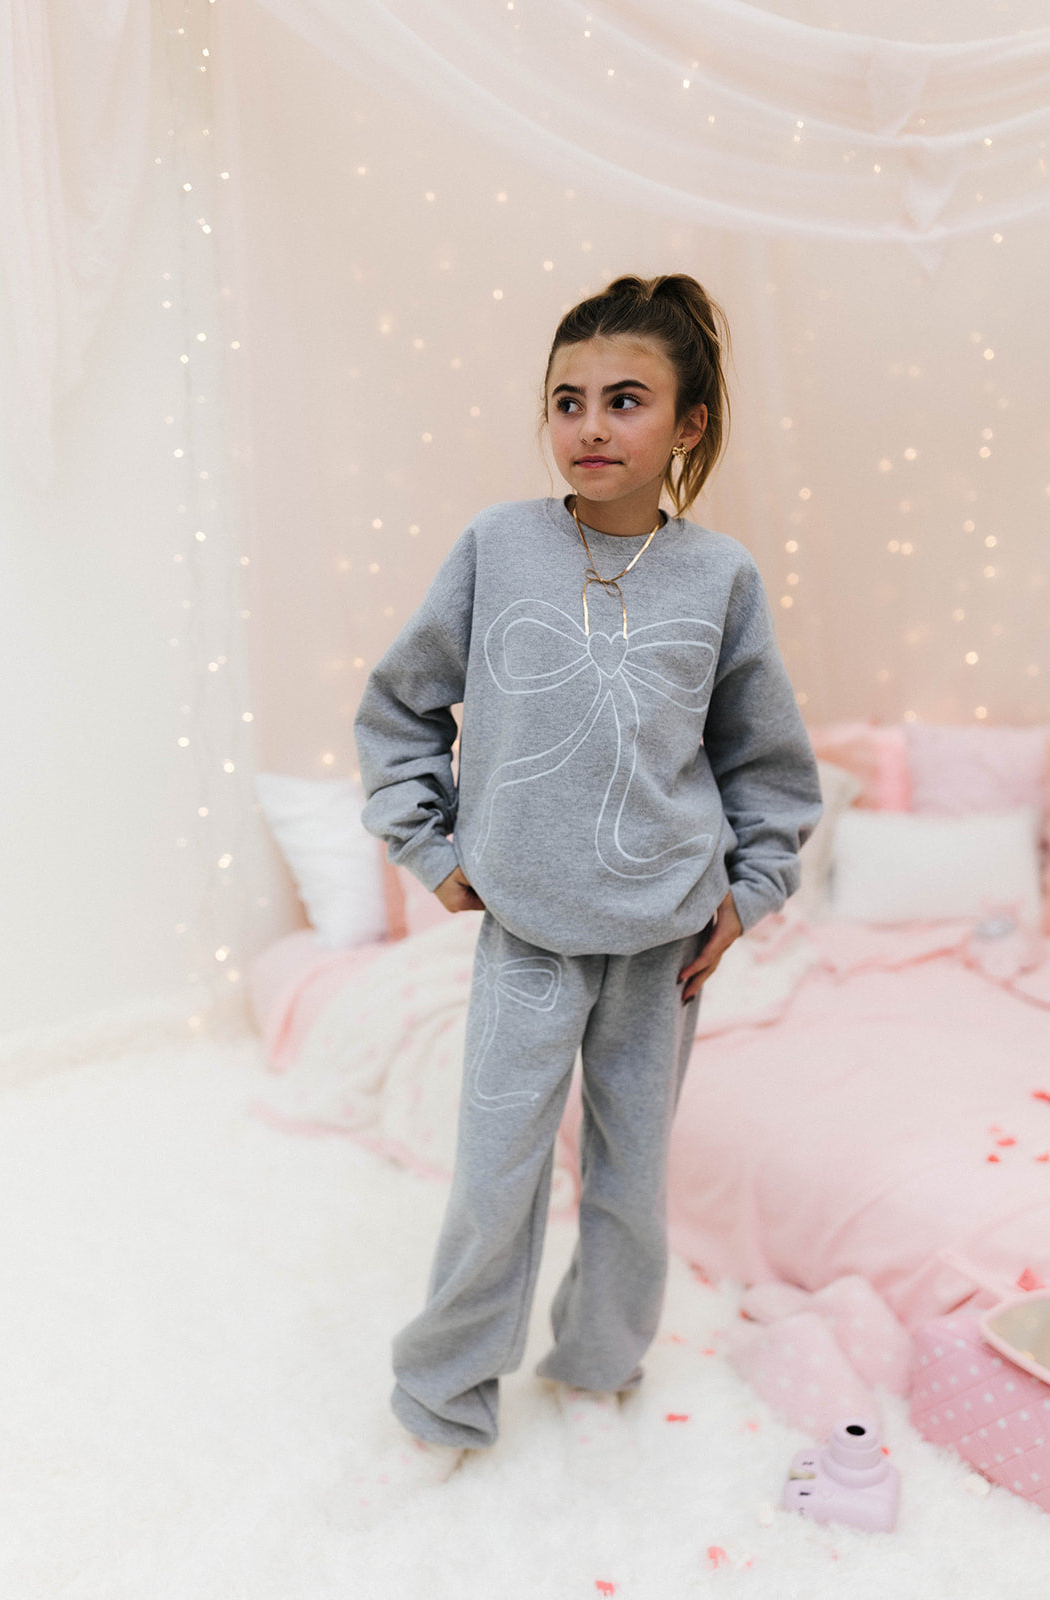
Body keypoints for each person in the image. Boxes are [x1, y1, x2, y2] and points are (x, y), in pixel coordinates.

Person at [352, 272, 822, 1507]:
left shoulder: (719, 579)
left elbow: (763, 764)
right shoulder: (498, 546)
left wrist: (746, 891)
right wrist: (432, 846)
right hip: (527, 935)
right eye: (567, 400)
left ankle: (601, 1367)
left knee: (628, 1181)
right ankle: (442, 1403)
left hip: (663, 941)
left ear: (688, 427)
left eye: (625, 400)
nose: (591, 426)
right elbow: (400, 707)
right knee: (493, 1178)